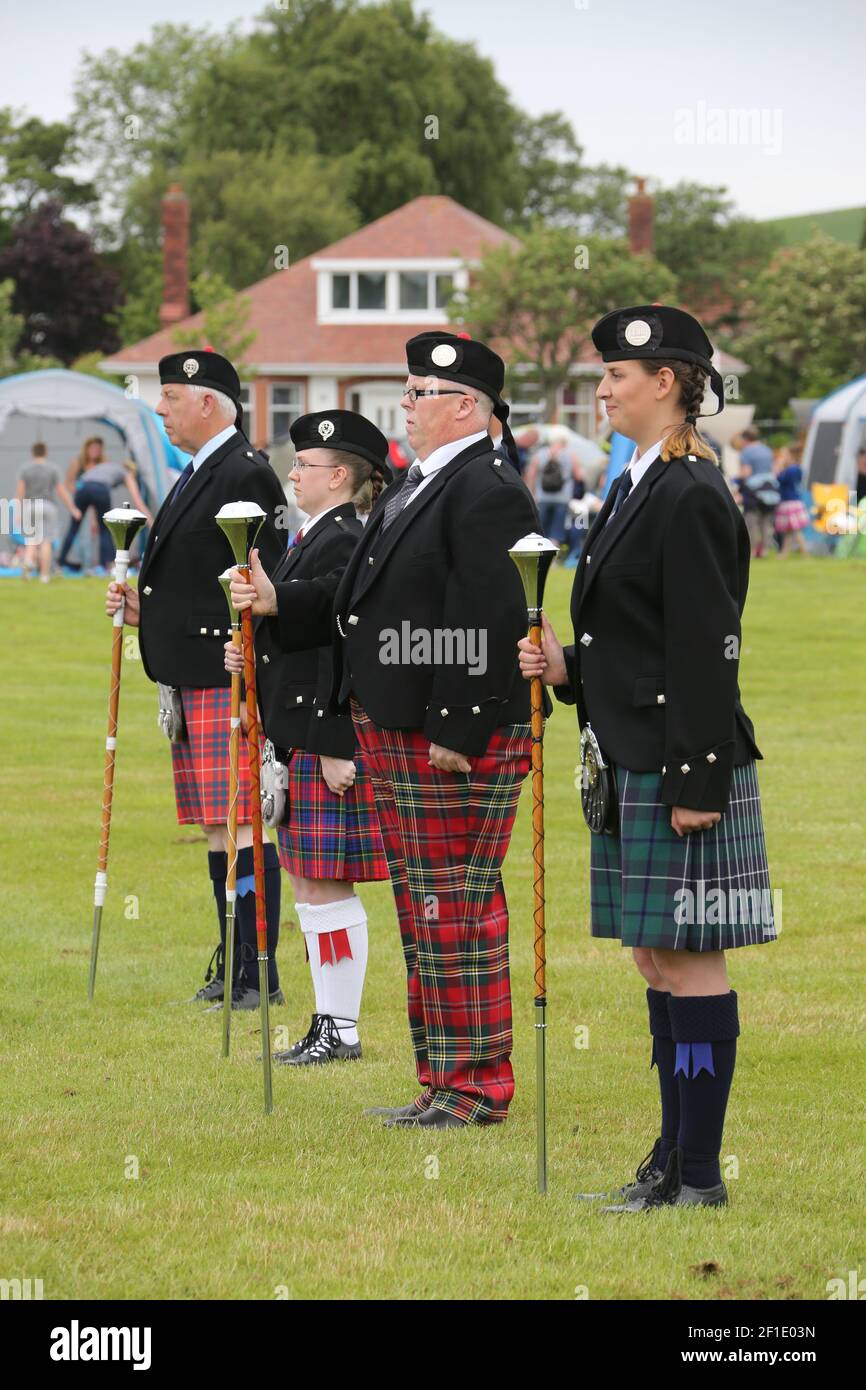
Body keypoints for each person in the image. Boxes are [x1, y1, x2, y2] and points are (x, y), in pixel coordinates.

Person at [230, 332, 540, 1129]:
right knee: (424, 907)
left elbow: (489, 611)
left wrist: (459, 728)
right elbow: (355, 597)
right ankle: (442, 1080)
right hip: (396, 724)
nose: (403, 407)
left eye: (417, 394)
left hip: (446, 731)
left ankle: (476, 1087)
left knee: (458, 905)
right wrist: (276, 603)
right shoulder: (418, 484)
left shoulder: (487, 487)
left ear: (465, 405)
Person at [519, 304, 776, 1212]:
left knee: (691, 959)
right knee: (654, 960)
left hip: (680, 763)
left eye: (615, 375)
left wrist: (699, 780)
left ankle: (699, 1174)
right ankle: (672, 1153)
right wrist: (567, 667)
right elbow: (640, 638)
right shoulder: (635, 483)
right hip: (631, 750)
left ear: (665, 382)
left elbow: (709, 646)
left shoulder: (692, 489)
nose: (601, 387)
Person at [105, 350, 287, 1009]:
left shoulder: (243, 473)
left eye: (171, 398)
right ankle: (236, 961)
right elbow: (194, 577)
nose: (160, 409)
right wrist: (145, 611)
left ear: (207, 402)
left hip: (225, 672)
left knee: (241, 822)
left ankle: (257, 967)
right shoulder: (200, 472)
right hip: (193, 671)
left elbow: (266, 578)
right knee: (217, 823)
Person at [224, 410, 392, 1066]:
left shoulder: (347, 537)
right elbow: (295, 627)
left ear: (342, 475)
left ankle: (340, 1027)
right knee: (307, 884)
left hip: (324, 736)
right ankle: (328, 1021)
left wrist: (338, 740)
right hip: (294, 730)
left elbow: (343, 641)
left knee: (325, 884)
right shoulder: (313, 534)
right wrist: (252, 651)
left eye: (305, 465)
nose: (292, 473)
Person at [58, 439, 152, 572]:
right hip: (100, 489)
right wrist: (152, 523)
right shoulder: (127, 474)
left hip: (83, 488)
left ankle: (61, 562)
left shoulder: (106, 467)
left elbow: (89, 489)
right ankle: (107, 565)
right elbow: (138, 501)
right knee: (106, 529)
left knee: (74, 527)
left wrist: (93, 520)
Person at [15, 442, 75, 582]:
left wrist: (17, 512)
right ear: (45, 452)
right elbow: (61, 491)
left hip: (30, 506)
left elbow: (20, 493)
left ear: (32, 452)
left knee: (31, 539)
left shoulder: (25, 469)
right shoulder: (52, 468)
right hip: (48, 507)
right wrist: (72, 508)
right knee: (45, 541)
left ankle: (29, 564)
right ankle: (44, 575)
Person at [524, 436, 581, 546]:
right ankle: (553, 552)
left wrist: (532, 492)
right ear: (565, 444)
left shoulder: (540, 454)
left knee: (541, 526)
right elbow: (578, 475)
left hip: (542, 496)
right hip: (563, 498)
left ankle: (539, 549)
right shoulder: (570, 455)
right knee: (557, 528)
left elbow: (531, 474)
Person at [736, 426, 779, 558]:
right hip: (770, 488)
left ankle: (753, 550)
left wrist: (737, 482)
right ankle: (765, 550)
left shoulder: (747, 452)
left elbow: (746, 472)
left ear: (745, 439)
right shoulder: (767, 450)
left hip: (753, 490)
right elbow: (774, 469)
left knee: (752, 520)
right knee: (766, 521)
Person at [773, 444, 810, 555]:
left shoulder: (791, 470)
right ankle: (784, 553)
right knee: (789, 531)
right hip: (793, 501)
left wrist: (778, 469)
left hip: (790, 502)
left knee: (795, 529)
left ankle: (804, 552)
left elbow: (780, 480)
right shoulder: (796, 468)